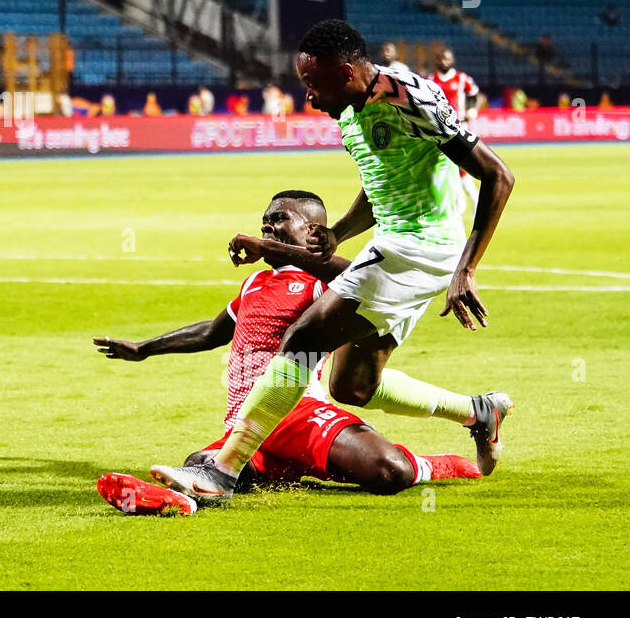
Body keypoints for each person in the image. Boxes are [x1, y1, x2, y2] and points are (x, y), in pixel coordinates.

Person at [154, 19, 515, 506]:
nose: (308, 98)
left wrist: (465, 269)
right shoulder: (349, 110)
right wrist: (339, 232)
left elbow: (498, 175)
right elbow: (383, 179)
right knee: (350, 385)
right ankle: (479, 412)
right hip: (395, 240)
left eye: (313, 85)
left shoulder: (407, 97)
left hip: (422, 247)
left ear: (346, 72)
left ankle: (223, 471)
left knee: (302, 338)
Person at [94, 190, 483, 516]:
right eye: (265, 219)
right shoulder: (255, 283)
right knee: (199, 463)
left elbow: (357, 274)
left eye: (279, 218)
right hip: (249, 423)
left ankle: (435, 465)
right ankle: (175, 501)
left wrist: (275, 248)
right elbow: (213, 331)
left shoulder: (325, 282)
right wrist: (144, 349)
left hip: (302, 414)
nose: (267, 225)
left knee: (389, 472)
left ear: (311, 229)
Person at [430, 47, 484, 211]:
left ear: (452, 60)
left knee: (460, 164)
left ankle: (472, 202)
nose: (444, 61)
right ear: (437, 61)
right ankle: (461, 204)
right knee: (448, 166)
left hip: (459, 126)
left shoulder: (462, 79)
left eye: (447, 58)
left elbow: (477, 96)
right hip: (438, 128)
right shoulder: (430, 80)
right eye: (441, 58)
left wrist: (473, 110)